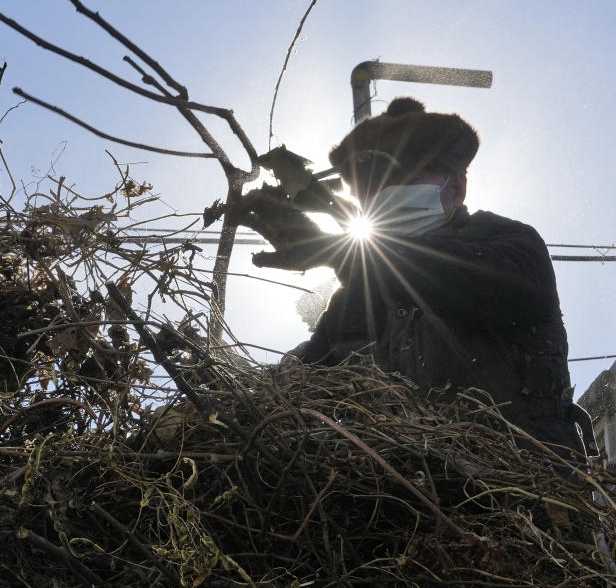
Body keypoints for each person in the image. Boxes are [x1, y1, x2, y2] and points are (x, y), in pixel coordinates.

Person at [230, 97, 593, 462]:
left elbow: (458, 278)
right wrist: (230, 397)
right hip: (403, 503)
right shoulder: (355, 299)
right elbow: (295, 382)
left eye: (403, 180)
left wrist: (349, 255)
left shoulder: (509, 242)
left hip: (524, 490)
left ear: (456, 188)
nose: (382, 197)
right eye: (370, 190)